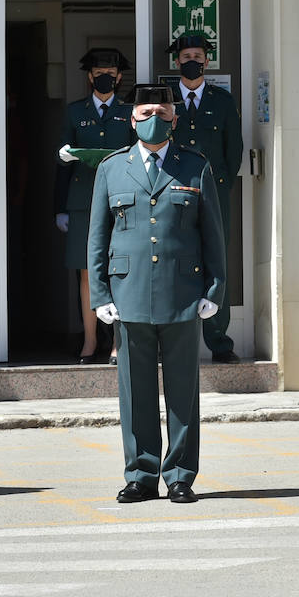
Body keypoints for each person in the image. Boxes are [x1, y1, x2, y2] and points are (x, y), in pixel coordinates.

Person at [88, 84, 226, 504]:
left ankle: (181, 475)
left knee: (183, 391)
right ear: (132, 119)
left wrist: (215, 288)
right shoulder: (112, 168)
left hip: (182, 292)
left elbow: (214, 235)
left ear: (175, 120)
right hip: (128, 293)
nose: (155, 120)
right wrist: (99, 293)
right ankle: (140, 474)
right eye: (146, 113)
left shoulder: (194, 166)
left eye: (163, 114)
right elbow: (98, 236)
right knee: (135, 390)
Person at [54, 48, 133, 364]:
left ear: (119, 77)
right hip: (82, 201)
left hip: (122, 200)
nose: (104, 77)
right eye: (98, 72)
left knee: (120, 272)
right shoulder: (75, 112)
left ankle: (117, 343)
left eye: (110, 72)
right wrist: (59, 208)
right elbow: (63, 162)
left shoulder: (129, 111)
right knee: (87, 274)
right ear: (89, 76)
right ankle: (89, 342)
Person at [167, 32, 243, 363]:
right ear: (177, 62)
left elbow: (234, 147)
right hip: (174, 193)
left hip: (214, 193)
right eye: (186, 57)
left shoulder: (222, 100)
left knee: (216, 263)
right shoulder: (166, 97)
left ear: (207, 61)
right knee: (174, 259)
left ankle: (218, 341)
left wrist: (221, 185)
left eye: (198, 56)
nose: (192, 62)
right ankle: (172, 341)